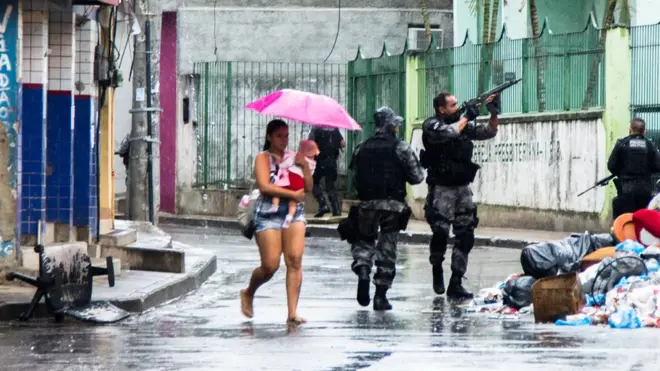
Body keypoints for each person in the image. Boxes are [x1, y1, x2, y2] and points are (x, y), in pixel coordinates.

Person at [420, 92, 500, 300]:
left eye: (457, 104)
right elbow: (449, 133)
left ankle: (456, 281)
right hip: (442, 188)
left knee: (465, 234)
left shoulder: (462, 125)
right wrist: (467, 116)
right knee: (440, 231)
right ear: (441, 109)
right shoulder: (432, 125)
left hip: (463, 188)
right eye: (453, 105)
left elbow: (489, 132)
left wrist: (493, 113)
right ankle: (437, 265)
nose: (457, 107)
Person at [346, 106, 424, 311]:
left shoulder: (361, 147)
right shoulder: (401, 148)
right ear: (390, 126)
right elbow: (417, 178)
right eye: (396, 124)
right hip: (392, 205)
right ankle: (380, 296)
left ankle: (363, 268)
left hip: (367, 204)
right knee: (387, 249)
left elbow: (355, 180)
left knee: (364, 242)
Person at [240, 119, 314, 327]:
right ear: (269, 137)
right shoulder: (262, 158)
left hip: (294, 212)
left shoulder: (294, 158)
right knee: (270, 265)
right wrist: (292, 193)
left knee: (295, 259)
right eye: (279, 136)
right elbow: (264, 187)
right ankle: (248, 292)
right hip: (268, 213)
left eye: (287, 136)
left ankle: (292, 312)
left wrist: (304, 166)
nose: (284, 140)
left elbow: (307, 187)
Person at [607, 118, 660, 220]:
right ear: (644, 131)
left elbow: (611, 166)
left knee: (624, 219)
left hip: (626, 189)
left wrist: (621, 171)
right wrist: (648, 170)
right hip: (645, 190)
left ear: (630, 129)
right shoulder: (650, 146)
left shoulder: (622, 144)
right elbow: (658, 166)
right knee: (642, 220)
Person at [269, 140, 320, 228]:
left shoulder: (295, 156)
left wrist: (280, 166)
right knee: (293, 201)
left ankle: (275, 206)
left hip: (290, 177)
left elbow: (286, 164)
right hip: (299, 181)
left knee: (277, 190)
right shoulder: (313, 164)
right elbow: (309, 179)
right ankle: (289, 217)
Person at [308, 127, 345, 217]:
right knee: (330, 185)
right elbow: (342, 143)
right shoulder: (335, 129)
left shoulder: (316, 128)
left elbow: (311, 144)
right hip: (332, 161)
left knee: (313, 182)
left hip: (320, 161)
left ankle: (323, 204)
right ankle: (336, 210)